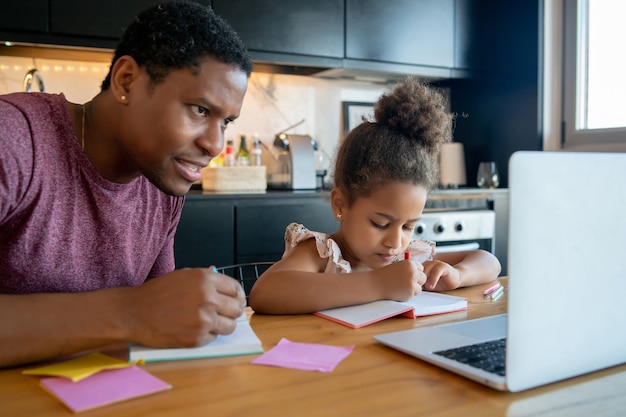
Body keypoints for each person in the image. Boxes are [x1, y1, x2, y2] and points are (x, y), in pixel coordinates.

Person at [0, 1, 253, 368]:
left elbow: (157, 329)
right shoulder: (14, 138)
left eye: (226, 121)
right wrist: (131, 312)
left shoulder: (160, 180)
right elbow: (141, 315)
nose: (215, 144)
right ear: (126, 81)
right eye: (200, 109)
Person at [249, 78, 502, 314]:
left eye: (408, 226)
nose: (395, 241)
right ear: (341, 204)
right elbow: (264, 292)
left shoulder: (407, 259)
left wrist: (458, 274)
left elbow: (489, 261)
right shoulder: (321, 254)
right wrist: (377, 284)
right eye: (380, 224)